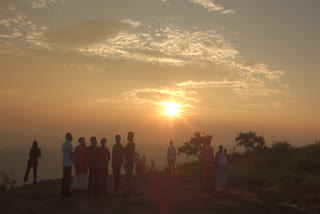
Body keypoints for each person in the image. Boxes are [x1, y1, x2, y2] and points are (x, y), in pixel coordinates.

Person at [61, 133, 74, 197]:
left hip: (65, 162)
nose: (72, 137)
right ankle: (67, 192)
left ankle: (63, 192)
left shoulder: (64, 143)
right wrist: (76, 153)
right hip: (68, 162)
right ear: (68, 137)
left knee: (65, 177)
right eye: (71, 136)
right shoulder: (69, 144)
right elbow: (71, 153)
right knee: (68, 178)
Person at [124, 132, 135, 196]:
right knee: (128, 176)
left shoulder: (131, 144)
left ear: (131, 136)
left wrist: (126, 151)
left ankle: (129, 191)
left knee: (128, 176)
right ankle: (129, 191)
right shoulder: (131, 144)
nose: (127, 137)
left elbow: (131, 152)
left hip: (129, 161)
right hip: (129, 161)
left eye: (128, 136)